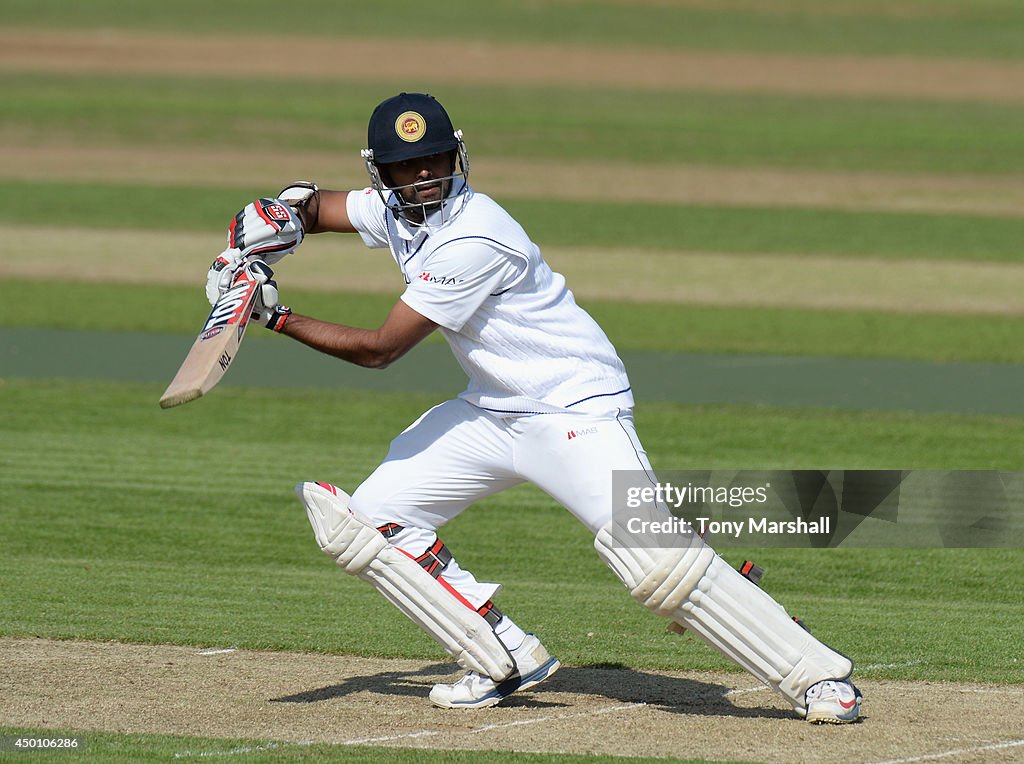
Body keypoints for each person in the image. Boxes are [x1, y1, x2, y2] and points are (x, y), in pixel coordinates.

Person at [205, 92, 862, 722]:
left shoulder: (475, 237)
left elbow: (381, 350)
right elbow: (320, 208)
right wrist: (270, 219)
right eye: (408, 165)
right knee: (369, 521)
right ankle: (502, 656)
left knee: (653, 558)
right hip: (494, 412)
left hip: (575, 410)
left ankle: (817, 676)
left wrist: (270, 312)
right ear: (384, 172)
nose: (426, 175)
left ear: (456, 157)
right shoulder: (396, 208)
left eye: (435, 159)